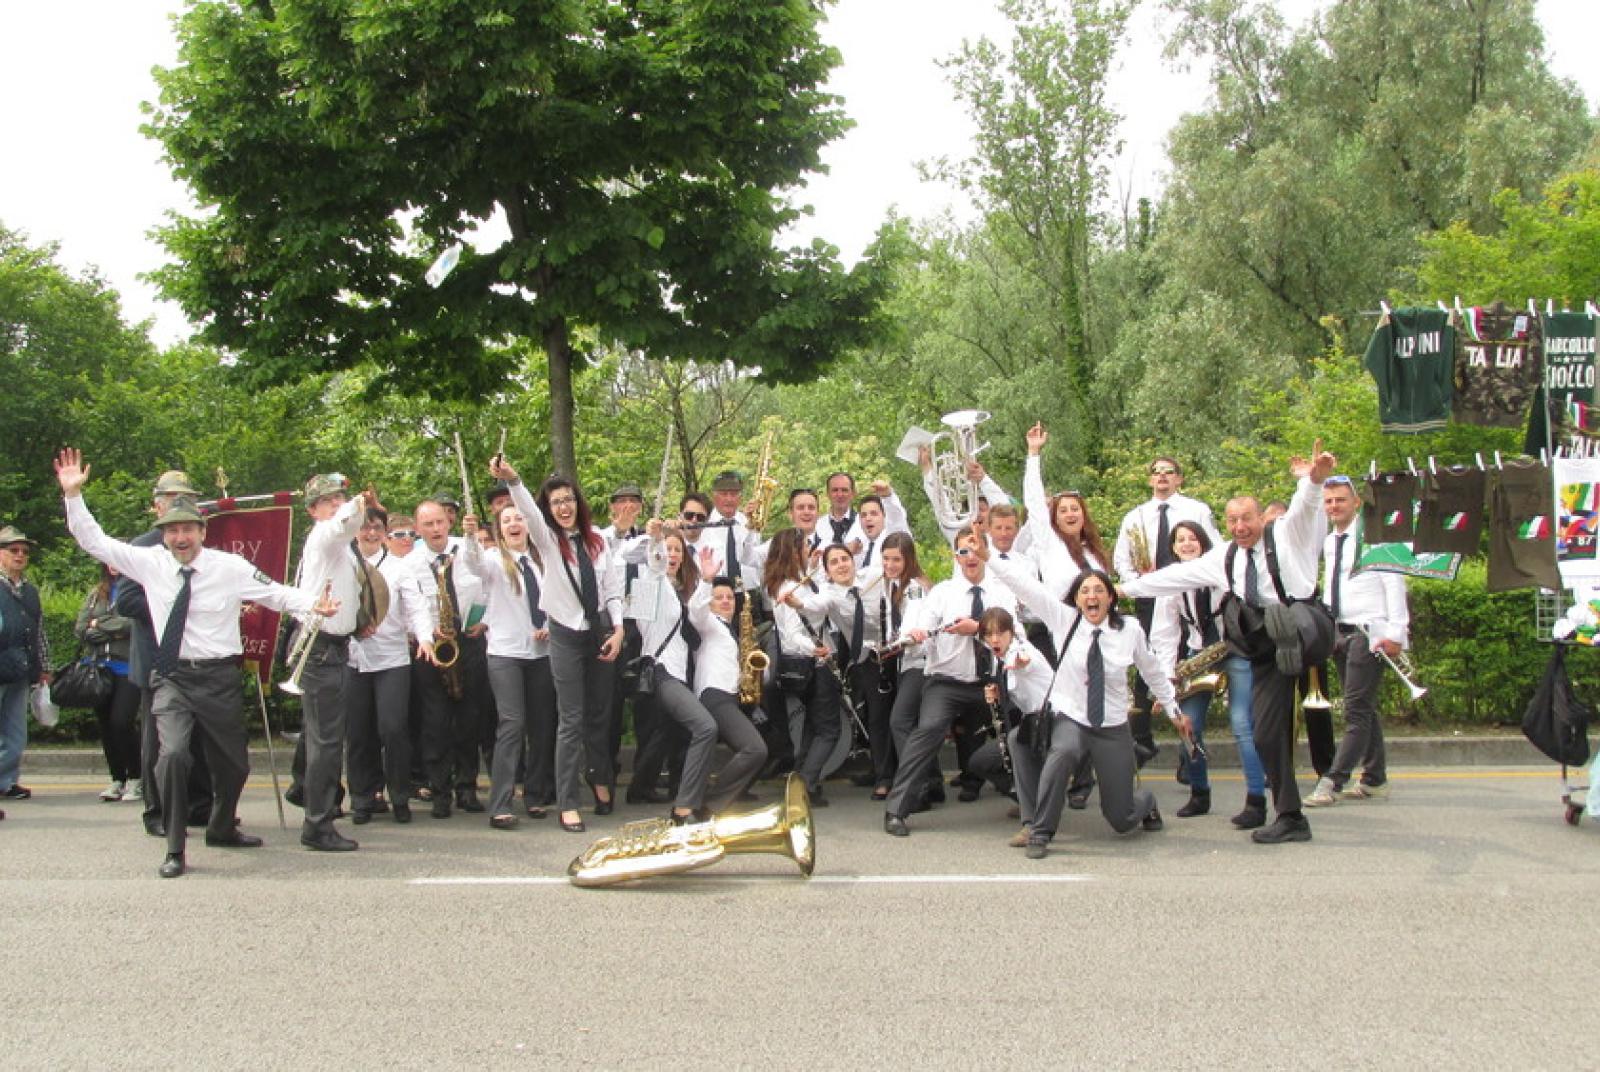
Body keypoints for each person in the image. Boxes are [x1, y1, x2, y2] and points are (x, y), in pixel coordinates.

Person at [56, 448, 336, 878]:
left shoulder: (229, 566)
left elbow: (277, 593)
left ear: (202, 532)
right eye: (172, 531)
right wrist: (73, 496)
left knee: (236, 766)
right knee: (172, 758)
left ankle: (222, 827)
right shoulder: (149, 563)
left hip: (219, 678)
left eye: (187, 529)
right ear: (163, 534)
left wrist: (314, 605)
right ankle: (175, 849)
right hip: (172, 677)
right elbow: (94, 541)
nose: (180, 537)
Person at [1120, 442, 1337, 845]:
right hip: (1267, 649)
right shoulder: (1224, 558)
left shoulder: (1287, 535)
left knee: (1283, 617)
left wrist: (1314, 479)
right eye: (1233, 520)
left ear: (1261, 518)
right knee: (1266, 733)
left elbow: (1307, 508)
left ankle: (1290, 645)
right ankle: (1290, 815)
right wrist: (1121, 588)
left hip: (1304, 627)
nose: (1240, 527)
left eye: (1247, 519)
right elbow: (1170, 579)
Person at [990, 561, 1181, 859]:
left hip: (1112, 726)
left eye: (1099, 590)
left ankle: (1145, 803)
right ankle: (1041, 831)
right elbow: (1025, 586)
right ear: (1077, 599)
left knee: (1121, 818)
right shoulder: (1063, 620)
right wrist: (988, 554)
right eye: (1085, 591)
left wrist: (1173, 708)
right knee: (1063, 752)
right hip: (1073, 717)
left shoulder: (1129, 629)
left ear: (1110, 598)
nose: (1092, 596)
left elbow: (1152, 670)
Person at [494, 458, 625, 833]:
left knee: (599, 715)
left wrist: (618, 630)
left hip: (599, 632)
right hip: (565, 634)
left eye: (568, 500)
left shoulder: (598, 542)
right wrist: (513, 479)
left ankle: (599, 777)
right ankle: (568, 803)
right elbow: (529, 513)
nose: (563, 507)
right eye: (556, 503)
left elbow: (612, 591)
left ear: (578, 503)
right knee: (571, 719)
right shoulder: (548, 541)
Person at [882, 525, 1018, 836]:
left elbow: (1013, 635)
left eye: (975, 548)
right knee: (927, 730)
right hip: (947, 682)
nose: (970, 556)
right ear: (955, 556)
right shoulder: (942, 591)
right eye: (962, 550)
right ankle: (896, 809)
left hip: (991, 681)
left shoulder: (1003, 590)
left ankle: (1025, 797)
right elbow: (920, 622)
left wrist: (979, 629)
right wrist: (913, 635)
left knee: (1013, 737)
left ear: (986, 552)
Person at [1147, 521, 1268, 827]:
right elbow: (1163, 635)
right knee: (1189, 725)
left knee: (1242, 724)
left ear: (1203, 543)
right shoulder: (1171, 583)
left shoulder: (1222, 573)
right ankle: (1199, 792)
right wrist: (1167, 678)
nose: (1187, 544)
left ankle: (1256, 799)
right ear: (1172, 548)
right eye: (1180, 540)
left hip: (1233, 650)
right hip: (1197, 656)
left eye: (1192, 539)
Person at [116, 471, 216, 837]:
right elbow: (124, 600)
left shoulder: (202, 548)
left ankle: (199, 807)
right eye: (171, 497)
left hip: (199, 658)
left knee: (200, 739)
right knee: (159, 743)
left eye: (186, 497)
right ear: (156, 503)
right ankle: (157, 811)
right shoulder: (142, 547)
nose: (178, 504)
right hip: (157, 657)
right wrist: (171, 605)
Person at [1114, 455, 1222, 778]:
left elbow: (1214, 551)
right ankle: (1143, 738)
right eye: (1156, 472)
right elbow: (1122, 559)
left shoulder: (1197, 510)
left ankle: (1186, 755)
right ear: (1149, 479)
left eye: (1168, 472)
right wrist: (1139, 581)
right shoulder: (1135, 516)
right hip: (1150, 599)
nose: (1161, 477)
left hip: (1192, 599)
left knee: (1183, 668)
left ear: (1180, 479)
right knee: (1148, 662)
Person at [1304, 475, 1408, 807]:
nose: (1334, 506)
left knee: (1355, 711)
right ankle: (1375, 778)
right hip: (1341, 632)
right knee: (1363, 708)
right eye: (1329, 501)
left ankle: (1333, 780)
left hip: (1370, 633)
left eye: (1341, 500)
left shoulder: (1376, 538)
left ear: (1356, 503)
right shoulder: (1331, 541)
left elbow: (1394, 584)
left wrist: (1395, 633)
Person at [458, 501, 557, 829]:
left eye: (519, 518)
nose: (514, 524)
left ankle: (535, 794)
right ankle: (501, 802)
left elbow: (558, 601)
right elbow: (471, 563)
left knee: (542, 727)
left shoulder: (544, 561)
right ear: (499, 529)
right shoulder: (492, 561)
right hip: (505, 654)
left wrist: (550, 624)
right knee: (512, 724)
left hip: (540, 654)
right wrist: (471, 536)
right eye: (507, 520)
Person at [288, 473, 369, 852]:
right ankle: (317, 824)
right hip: (321, 646)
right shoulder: (325, 536)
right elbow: (345, 523)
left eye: (339, 498)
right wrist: (357, 502)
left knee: (320, 735)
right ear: (313, 511)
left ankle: (307, 796)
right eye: (327, 501)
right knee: (327, 740)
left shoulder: (340, 546)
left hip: (333, 644)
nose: (336, 505)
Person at [398, 499, 488, 819]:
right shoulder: (409, 564)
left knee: (469, 718)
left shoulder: (469, 549)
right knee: (435, 722)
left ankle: (467, 787)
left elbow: (491, 585)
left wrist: (486, 618)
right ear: (418, 528)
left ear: (448, 522)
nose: (436, 529)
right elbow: (410, 607)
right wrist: (425, 633)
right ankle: (440, 791)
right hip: (432, 645)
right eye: (428, 525)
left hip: (469, 640)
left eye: (439, 522)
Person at [346, 505, 421, 824]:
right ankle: (363, 798)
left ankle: (400, 795)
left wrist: (425, 638)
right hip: (353, 658)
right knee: (359, 733)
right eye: (365, 527)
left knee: (393, 729)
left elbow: (416, 608)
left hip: (392, 657)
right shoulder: (343, 564)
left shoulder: (400, 568)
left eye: (377, 527)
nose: (371, 533)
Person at [762, 526, 843, 805]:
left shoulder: (789, 582)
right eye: (805, 546)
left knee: (812, 725)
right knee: (829, 729)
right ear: (793, 551)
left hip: (804, 663)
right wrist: (817, 649)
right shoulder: (789, 588)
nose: (809, 549)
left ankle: (801, 779)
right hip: (813, 663)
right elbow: (794, 633)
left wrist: (813, 567)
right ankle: (807, 784)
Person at [971, 607, 1053, 846]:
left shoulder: (1021, 651)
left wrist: (1021, 663)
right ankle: (1028, 799)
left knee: (1017, 741)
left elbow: (1024, 662)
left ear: (1012, 632)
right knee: (983, 760)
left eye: (1000, 633)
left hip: (1053, 719)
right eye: (989, 634)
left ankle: (1032, 822)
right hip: (1033, 722)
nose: (995, 639)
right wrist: (997, 692)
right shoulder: (998, 658)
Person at [693, 574, 769, 811]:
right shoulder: (708, 624)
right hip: (715, 694)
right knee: (754, 748)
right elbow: (695, 610)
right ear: (710, 602)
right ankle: (711, 803)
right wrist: (705, 581)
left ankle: (738, 791)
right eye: (718, 598)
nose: (726, 601)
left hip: (733, 696)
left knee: (772, 738)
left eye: (729, 597)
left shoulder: (731, 630)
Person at [74, 564, 141, 802]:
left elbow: (134, 624)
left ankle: (136, 777)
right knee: (106, 726)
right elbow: (81, 628)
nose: (114, 566)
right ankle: (117, 779)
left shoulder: (139, 590)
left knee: (122, 721)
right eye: (109, 560)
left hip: (129, 668)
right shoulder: (96, 594)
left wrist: (99, 624)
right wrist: (109, 629)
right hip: (100, 668)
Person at [878, 533, 932, 802]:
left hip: (920, 663)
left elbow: (912, 625)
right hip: (907, 661)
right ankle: (932, 784)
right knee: (918, 725)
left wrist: (896, 643)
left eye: (896, 559)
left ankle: (916, 789)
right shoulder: (893, 585)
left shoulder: (915, 587)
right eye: (886, 558)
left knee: (899, 722)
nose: (890, 564)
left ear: (909, 559)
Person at [0, 526, 48, 802]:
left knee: (15, 732)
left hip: (20, 669)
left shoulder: (29, 590)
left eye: (24, 551)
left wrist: (43, 665)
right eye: (13, 549)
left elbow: (38, 631)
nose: (20, 555)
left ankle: (7, 781)